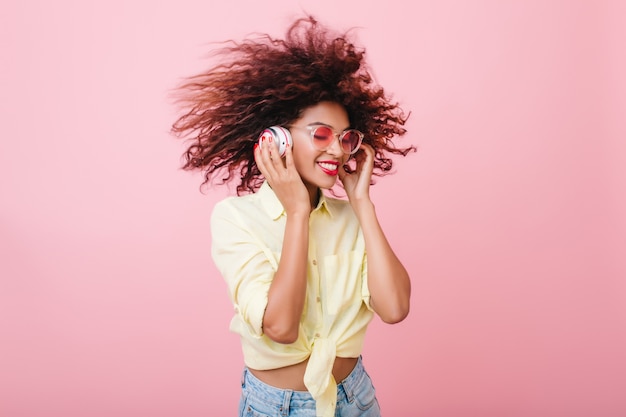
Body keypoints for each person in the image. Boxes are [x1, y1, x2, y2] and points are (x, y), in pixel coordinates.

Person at [171, 15, 415, 417]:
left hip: (355, 399)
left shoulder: (352, 218)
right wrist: (298, 213)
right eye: (320, 134)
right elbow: (281, 328)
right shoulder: (235, 218)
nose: (336, 151)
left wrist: (363, 207)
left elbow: (394, 309)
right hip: (275, 408)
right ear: (277, 138)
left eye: (345, 138)